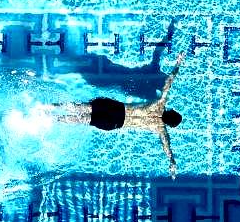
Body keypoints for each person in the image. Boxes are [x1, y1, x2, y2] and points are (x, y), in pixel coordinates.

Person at [55, 52, 184, 179]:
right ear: (169, 124)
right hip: (115, 123)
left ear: (171, 111)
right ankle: (56, 119)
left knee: (83, 108)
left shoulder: (160, 105)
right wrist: (172, 162)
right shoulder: (160, 129)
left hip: (117, 109)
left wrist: (178, 63)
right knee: (84, 120)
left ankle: (52, 107)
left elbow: (168, 82)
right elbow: (166, 147)